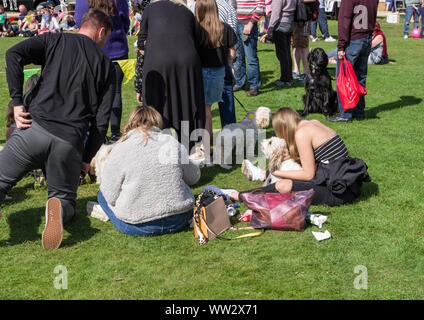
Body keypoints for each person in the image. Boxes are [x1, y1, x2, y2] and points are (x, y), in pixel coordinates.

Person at [1, 9, 115, 250]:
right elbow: (101, 122)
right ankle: (58, 208)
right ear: (101, 31)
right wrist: (86, 158)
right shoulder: (107, 66)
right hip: (69, 142)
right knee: (65, 199)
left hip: (34, 129)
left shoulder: (55, 39)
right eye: (106, 39)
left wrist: (18, 102)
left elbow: (13, 54)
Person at [89, 106, 200, 236]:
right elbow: (194, 176)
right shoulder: (171, 142)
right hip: (179, 218)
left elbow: (110, 195)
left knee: (101, 195)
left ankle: (106, 211)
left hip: (138, 225)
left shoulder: (120, 149)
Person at [233, 108, 371, 206]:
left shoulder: (301, 134)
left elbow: (308, 174)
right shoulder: (314, 122)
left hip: (338, 192)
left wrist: (277, 172)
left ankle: (240, 195)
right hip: (348, 182)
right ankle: (262, 174)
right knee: (291, 171)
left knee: (283, 185)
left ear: (282, 129)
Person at [138, 0, 205, 151]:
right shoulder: (187, 11)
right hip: (186, 63)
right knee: (185, 105)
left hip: (158, 62)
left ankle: (157, 149)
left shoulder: (150, 9)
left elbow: (142, 43)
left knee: (157, 107)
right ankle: (187, 151)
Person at [75, 0, 130, 143]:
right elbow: (125, 20)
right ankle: (116, 133)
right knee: (115, 92)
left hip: (93, 49)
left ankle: (98, 134)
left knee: (93, 93)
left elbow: (79, 20)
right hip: (117, 48)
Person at [327, 0, 378, 123]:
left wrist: (341, 45)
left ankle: (345, 114)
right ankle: (359, 111)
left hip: (354, 40)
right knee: (360, 78)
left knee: (344, 79)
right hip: (366, 39)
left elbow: (344, 21)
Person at [195, 0, 237, 148]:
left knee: (203, 110)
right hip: (218, 72)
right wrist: (228, 60)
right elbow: (232, 53)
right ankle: (206, 145)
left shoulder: (195, 29)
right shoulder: (225, 28)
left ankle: (204, 146)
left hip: (199, 72)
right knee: (207, 109)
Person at [233, 0, 265, 97]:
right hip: (235, 23)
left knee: (251, 58)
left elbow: (261, 6)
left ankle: (254, 86)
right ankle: (239, 83)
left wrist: (251, 23)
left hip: (248, 24)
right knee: (238, 57)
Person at [261, 0, 296, 86]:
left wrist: (270, 27)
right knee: (287, 53)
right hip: (289, 23)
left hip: (280, 24)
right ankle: (289, 77)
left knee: (282, 54)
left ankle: (285, 79)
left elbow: (276, 13)